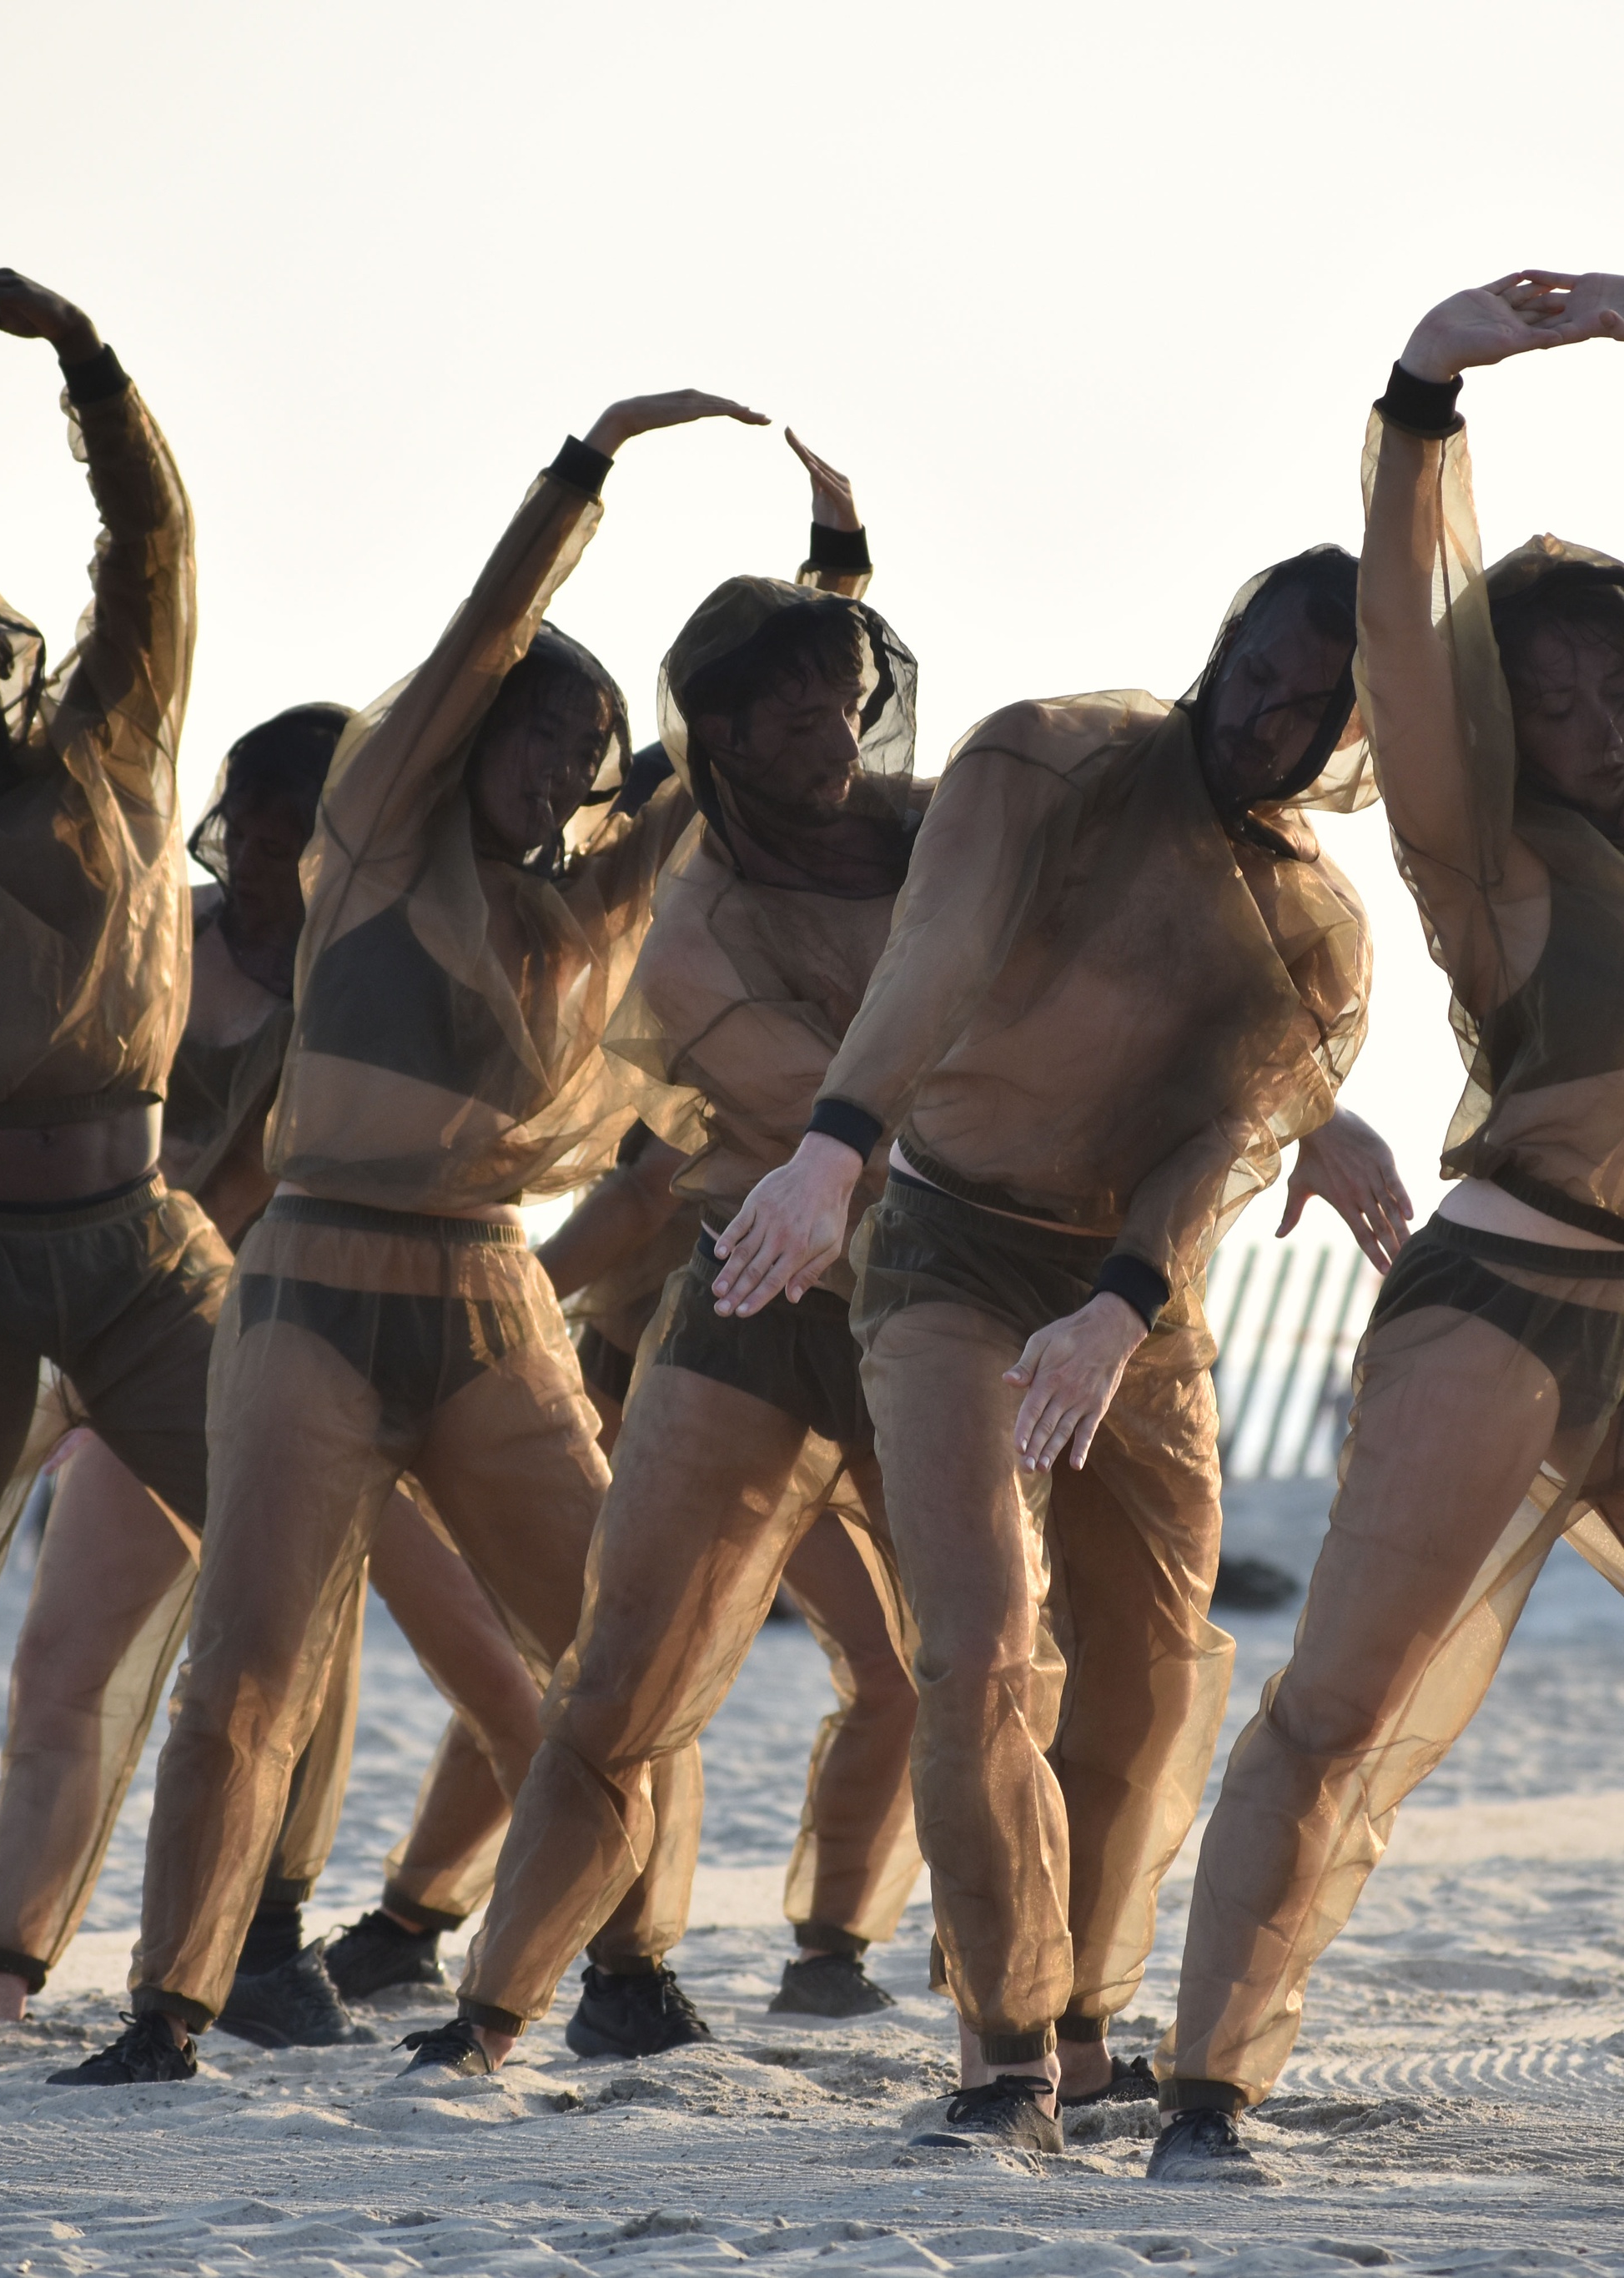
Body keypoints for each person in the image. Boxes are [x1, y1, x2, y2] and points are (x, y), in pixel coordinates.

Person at [50, 383, 767, 2088]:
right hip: (307, 1283)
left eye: (586, 764)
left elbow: (708, 771)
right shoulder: (376, 838)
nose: (567, 782)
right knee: (249, 1662)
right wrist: (582, 472)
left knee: (621, 1648)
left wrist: (826, 571)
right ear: (473, 736)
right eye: (543, 747)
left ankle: (626, 1963)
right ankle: (175, 2006)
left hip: (479, 1292)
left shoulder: (568, 911)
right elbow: (479, 635)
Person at [703, 549, 1404, 2150]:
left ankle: (1083, 2015)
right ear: (1222, 648)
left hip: (1129, 1299)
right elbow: (932, 957)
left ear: (1355, 736)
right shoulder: (1049, 761)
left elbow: (1219, 1131)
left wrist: (1126, 1300)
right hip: (948, 1238)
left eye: (1316, 712)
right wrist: (832, 1148)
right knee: (979, 1643)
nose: (1270, 726)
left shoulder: (1317, 926)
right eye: (1261, 678)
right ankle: (1002, 2049)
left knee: (1151, 1688)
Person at [351, 440, 924, 2044]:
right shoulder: (659, 912)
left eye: (845, 705)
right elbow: (654, 1183)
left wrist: (843, 557)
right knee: (608, 1663)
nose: (832, 739)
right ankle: (461, 1934)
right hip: (652, 1328)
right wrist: (515, 1306)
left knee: (853, 1667)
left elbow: (789, 708)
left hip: (827, 1310)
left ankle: (816, 1946)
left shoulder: (861, 850)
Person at [1149, 273, 1624, 2182]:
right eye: (1560, 691)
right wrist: (1428, 394)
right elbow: (1417, 650)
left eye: (1622, 681)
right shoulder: (1487, 850)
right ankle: (1205, 2084)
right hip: (1499, 1293)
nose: (1593, 716)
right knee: (1342, 1693)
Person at [0, 705, 552, 2046]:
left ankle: (420, 1943)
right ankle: (2, 1968)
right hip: (145, 1330)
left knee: (496, 1680)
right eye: (250, 830)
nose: (263, 858)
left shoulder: (389, 974)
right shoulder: (170, 938)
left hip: (325, 1352)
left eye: (291, 836)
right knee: (61, 1663)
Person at [0, 243, 216, 1898]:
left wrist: (87, 362)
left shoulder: (114, 738)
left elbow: (152, 550)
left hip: (142, 1239)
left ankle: (249, 1921)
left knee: (266, 1548)